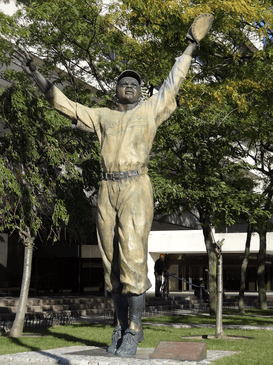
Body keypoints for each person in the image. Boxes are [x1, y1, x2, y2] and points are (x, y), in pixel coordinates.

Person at [18, 13, 213, 357]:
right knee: (111, 263)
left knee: (134, 258)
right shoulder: (103, 116)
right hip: (106, 190)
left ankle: (135, 330)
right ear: (115, 90)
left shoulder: (151, 111)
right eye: (124, 82)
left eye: (135, 84)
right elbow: (65, 105)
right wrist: (37, 74)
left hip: (136, 186)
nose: (130, 86)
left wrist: (190, 45)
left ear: (141, 92)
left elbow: (172, 83)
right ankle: (120, 326)